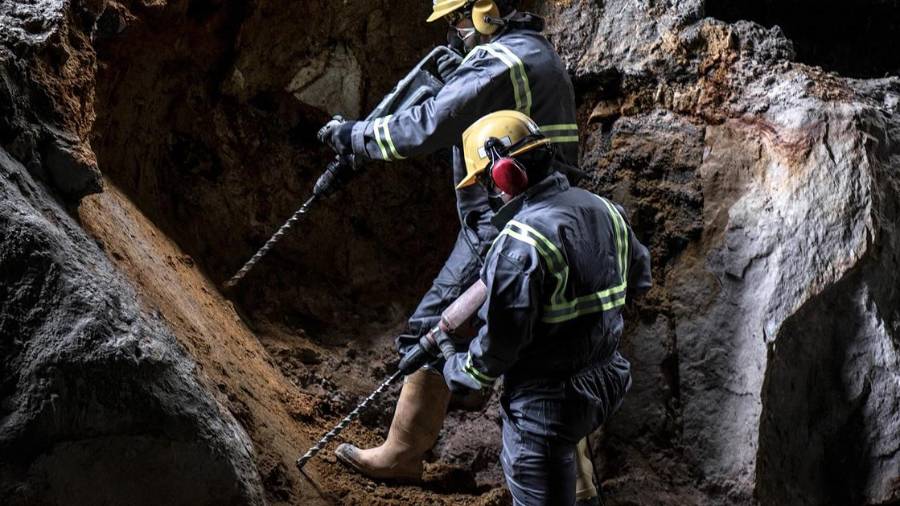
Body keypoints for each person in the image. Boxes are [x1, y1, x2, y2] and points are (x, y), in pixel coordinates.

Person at [318, 1, 600, 502]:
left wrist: (356, 136)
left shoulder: (503, 62)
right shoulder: (532, 53)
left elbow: (428, 126)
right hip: (544, 219)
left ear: (486, 10)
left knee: (430, 331)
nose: (454, 28)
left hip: (502, 228)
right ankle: (577, 489)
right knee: (546, 361)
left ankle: (402, 455)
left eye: (457, 17)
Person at [438, 110, 652, 505]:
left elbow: (498, 349)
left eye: (488, 182)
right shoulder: (607, 210)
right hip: (605, 380)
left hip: (546, 407)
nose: (490, 193)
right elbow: (638, 280)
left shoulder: (519, 244)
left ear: (505, 174)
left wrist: (457, 364)